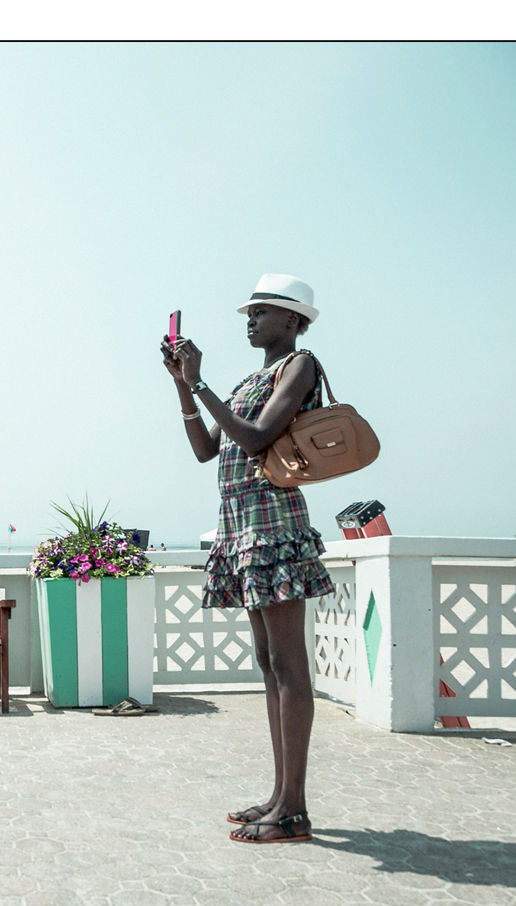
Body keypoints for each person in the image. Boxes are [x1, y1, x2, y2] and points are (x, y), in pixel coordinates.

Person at [160, 273, 335, 845]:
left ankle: (294, 810)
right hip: (241, 529)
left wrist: (201, 380)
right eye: (250, 313)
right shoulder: (249, 378)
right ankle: (280, 795)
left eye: (260, 312)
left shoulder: (299, 365)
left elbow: (258, 437)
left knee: (288, 665)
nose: (250, 321)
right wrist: (184, 388)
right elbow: (207, 449)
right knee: (269, 663)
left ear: (292, 319)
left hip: (274, 525)